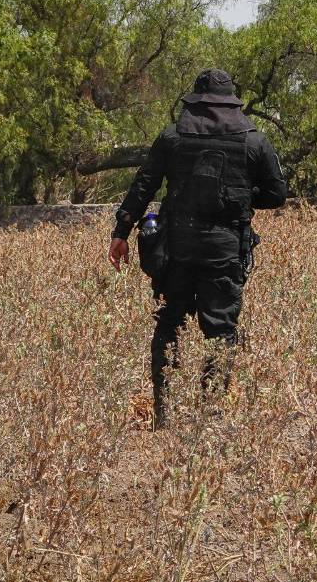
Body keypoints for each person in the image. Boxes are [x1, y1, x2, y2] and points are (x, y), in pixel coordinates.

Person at [108, 69, 287, 429]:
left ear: (195, 101)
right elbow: (277, 194)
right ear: (232, 103)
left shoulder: (173, 137)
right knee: (220, 330)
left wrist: (122, 232)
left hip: (176, 248)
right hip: (224, 249)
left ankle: (164, 413)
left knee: (169, 324)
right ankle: (210, 418)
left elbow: (143, 185)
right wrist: (240, 195)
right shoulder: (254, 140)